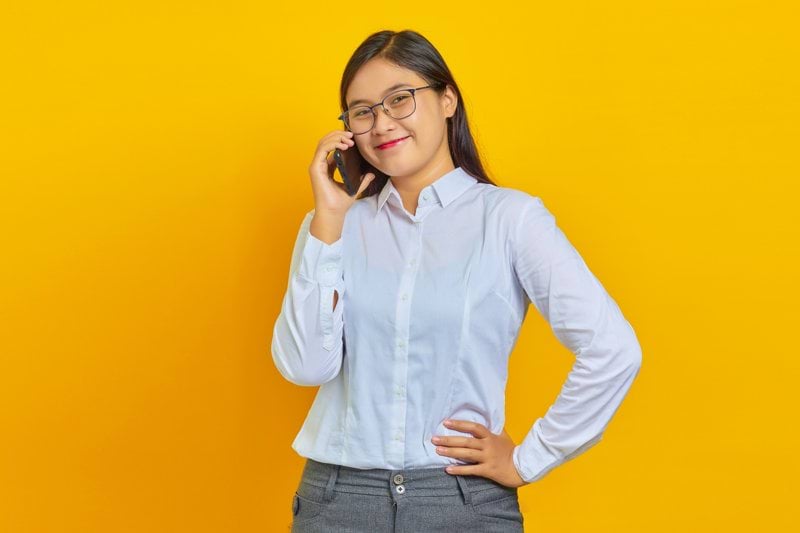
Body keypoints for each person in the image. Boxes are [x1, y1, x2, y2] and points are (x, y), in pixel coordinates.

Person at [271, 29, 642, 532]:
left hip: (460, 502)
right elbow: (306, 367)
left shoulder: (511, 219)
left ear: (447, 100)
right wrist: (329, 223)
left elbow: (613, 348)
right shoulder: (331, 226)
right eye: (362, 111)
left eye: (399, 100)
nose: (382, 124)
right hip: (337, 501)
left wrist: (529, 458)